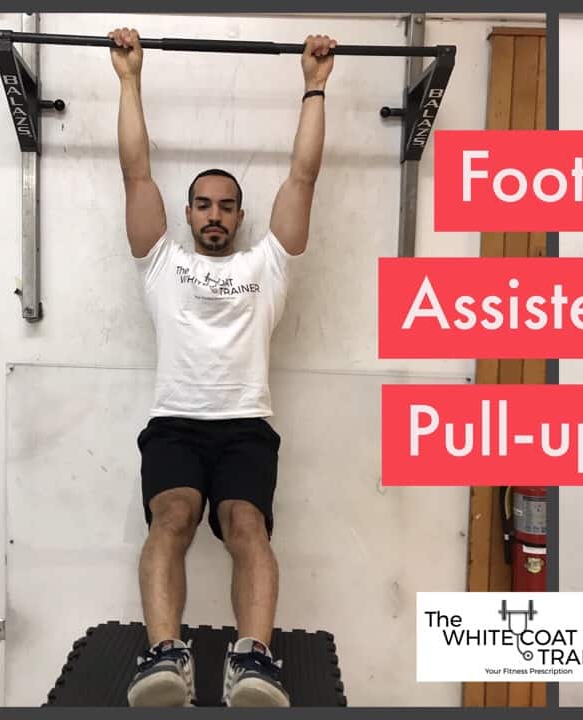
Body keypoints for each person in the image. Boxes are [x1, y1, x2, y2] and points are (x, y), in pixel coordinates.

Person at [107, 26, 335, 706]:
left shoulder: (266, 264)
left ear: (240, 216)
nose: (214, 214)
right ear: (188, 213)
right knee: (170, 519)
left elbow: (303, 175)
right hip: (175, 422)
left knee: (247, 526)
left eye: (226, 205)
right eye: (203, 204)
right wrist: (129, 81)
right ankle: (165, 654)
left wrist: (315, 86)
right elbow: (135, 171)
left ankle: (254, 659)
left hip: (245, 426)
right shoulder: (161, 262)